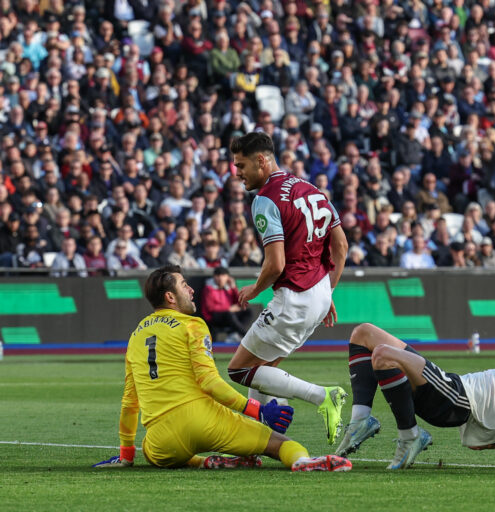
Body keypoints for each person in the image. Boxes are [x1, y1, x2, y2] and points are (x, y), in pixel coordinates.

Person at [93, 265, 351, 472]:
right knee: (281, 444)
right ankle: (302, 462)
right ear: (170, 297)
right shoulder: (192, 325)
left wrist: (127, 454)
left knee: (151, 453)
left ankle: (205, 461)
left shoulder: (136, 335)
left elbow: (130, 401)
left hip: (163, 438)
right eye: (184, 286)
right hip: (205, 421)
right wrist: (257, 410)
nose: (192, 290)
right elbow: (210, 383)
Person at [335, 307, 495, 470]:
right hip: (453, 388)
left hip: (458, 403)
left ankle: (410, 437)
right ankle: (360, 420)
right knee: (363, 333)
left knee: (383, 354)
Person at [227, 132, 350, 445]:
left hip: (294, 296)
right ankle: (262, 443)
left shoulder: (265, 199)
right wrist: (328, 291)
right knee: (264, 370)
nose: (236, 173)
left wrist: (254, 289)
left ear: (262, 161)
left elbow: (276, 264)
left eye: (241, 165)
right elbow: (341, 246)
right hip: (319, 293)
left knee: (240, 370)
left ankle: (324, 395)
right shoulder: (313, 189)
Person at [200, 267, 254, 342]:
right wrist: (228, 308)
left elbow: (240, 303)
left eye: (223, 276)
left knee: (248, 312)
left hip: (228, 316)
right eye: (218, 276)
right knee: (229, 314)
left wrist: (233, 287)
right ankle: (246, 336)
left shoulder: (229, 288)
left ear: (228, 277)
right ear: (214, 277)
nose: (220, 278)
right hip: (213, 317)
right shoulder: (208, 289)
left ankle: (233, 333)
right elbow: (210, 308)